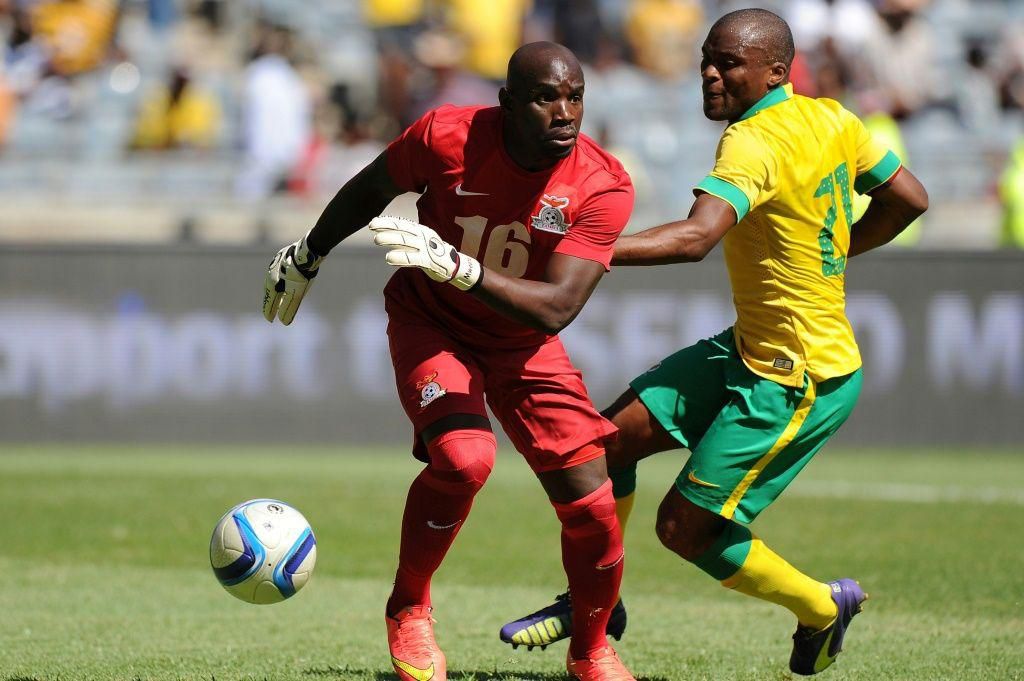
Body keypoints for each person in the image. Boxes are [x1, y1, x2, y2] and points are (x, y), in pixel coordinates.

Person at [500, 9, 928, 676]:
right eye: (707, 59)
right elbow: (910, 197)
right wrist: (836, 253)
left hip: (798, 378)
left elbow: (697, 237)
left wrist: (581, 247)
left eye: (727, 63)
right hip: (749, 348)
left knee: (683, 528)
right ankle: (596, 601)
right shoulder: (834, 119)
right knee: (607, 444)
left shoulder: (753, 141)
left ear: (776, 72)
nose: (709, 74)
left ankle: (821, 606)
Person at [262, 42, 637, 681]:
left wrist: (461, 268)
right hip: (432, 323)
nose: (565, 113)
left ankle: (592, 651)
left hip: (524, 341)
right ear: (508, 103)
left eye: (575, 97)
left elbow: (556, 308)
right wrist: (310, 253)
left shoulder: (602, 183)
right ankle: (409, 608)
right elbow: (372, 186)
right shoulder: (446, 137)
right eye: (546, 98)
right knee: (465, 460)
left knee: (594, 503)